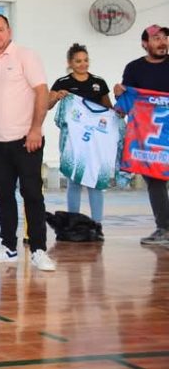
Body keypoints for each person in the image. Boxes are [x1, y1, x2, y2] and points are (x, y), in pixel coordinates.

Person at [0, 14, 56, 271]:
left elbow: (42, 92)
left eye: (0, 29)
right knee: (3, 196)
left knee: (32, 194)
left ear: (9, 31)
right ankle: (8, 247)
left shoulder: (26, 55)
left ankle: (39, 250)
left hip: (27, 139)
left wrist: (36, 129)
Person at [49, 43, 113, 238]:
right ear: (70, 63)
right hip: (72, 139)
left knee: (95, 180)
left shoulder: (98, 82)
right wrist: (58, 97)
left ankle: (97, 224)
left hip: (95, 138)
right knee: (74, 179)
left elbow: (108, 109)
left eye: (85, 60)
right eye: (78, 61)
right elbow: (47, 105)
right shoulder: (63, 82)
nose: (83, 64)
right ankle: (73, 222)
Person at [115, 25, 169, 246]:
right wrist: (119, 94)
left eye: (165, 38)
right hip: (150, 141)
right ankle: (164, 229)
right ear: (145, 43)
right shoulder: (134, 68)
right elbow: (124, 106)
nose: (163, 42)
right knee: (155, 182)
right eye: (156, 38)